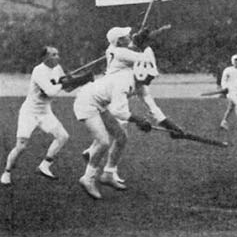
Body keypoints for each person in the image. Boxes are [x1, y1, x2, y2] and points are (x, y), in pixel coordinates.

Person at [73, 47, 183, 199]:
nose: (151, 80)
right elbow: (118, 111)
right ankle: (88, 178)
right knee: (103, 142)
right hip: (86, 102)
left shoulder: (140, 84)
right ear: (141, 73)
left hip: (101, 105)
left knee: (121, 137)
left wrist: (172, 127)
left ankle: (108, 174)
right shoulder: (124, 81)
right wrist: (139, 120)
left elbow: (152, 107)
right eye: (150, 77)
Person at [82, 26, 149, 185]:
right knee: (119, 133)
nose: (130, 36)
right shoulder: (122, 52)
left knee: (117, 133)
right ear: (119, 40)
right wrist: (142, 42)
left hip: (110, 89)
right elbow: (144, 58)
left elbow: (129, 50)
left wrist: (135, 41)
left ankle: (100, 161)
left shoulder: (111, 48)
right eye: (127, 36)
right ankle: (106, 169)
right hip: (115, 91)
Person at [1, 47, 70, 185]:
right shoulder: (38, 71)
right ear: (45, 57)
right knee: (21, 146)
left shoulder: (58, 68)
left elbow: (67, 87)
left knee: (63, 136)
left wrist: (79, 80)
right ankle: (6, 172)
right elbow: (51, 91)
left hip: (45, 112)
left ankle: (45, 165)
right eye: (54, 54)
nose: (58, 57)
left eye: (58, 54)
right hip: (29, 113)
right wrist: (62, 84)